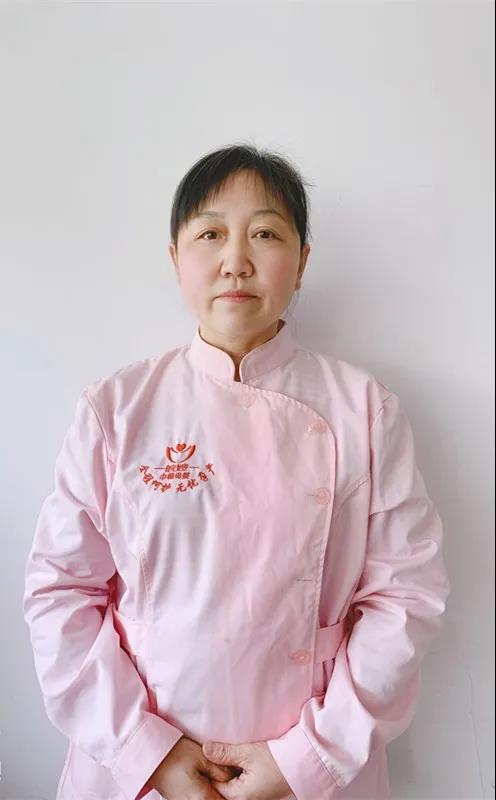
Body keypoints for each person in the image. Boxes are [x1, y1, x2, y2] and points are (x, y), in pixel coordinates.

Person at [23, 143, 450, 800]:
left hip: (310, 754)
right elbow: (61, 592)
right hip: (140, 758)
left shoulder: (364, 410)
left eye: (266, 234)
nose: (236, 260)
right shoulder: (117, 409)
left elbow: (405, 598)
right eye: (211, 234)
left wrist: (307, 760)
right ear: (175, 258)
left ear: (302, 263)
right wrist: (146, 753)